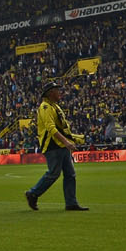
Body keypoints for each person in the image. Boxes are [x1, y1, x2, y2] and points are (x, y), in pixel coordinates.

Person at [25, 83, 85, 211]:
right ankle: (33, 193)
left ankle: (71, 203)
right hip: (52, 145)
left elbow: (62, 128)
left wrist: (73, 138)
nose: (60, 93)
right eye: (57, 90)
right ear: (50, 93)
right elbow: (51, 128)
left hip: (61, 145)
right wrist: (67, 142)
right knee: (54, 173)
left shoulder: (55, 106)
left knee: (70, 174)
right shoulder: (45, 107)